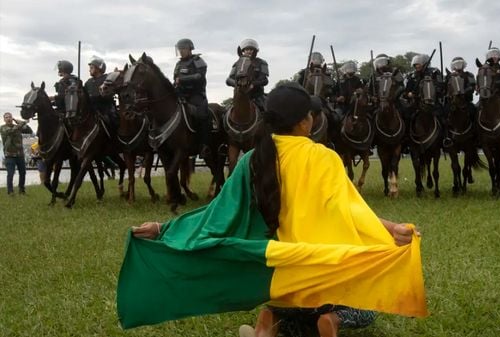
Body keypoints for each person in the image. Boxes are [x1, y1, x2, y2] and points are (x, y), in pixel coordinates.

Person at [122, 83, 426, 337]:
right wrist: (393, 230)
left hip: (278, 273)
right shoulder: (324, 157)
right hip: (324, 271)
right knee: (365, 304)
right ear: (304, 121)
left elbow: (216, 215)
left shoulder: (251, 159)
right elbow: (352, 212)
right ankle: (332, 321)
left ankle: (269, 320)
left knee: (283, 301)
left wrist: (165, 229)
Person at [173, 38, 211, 157]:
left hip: (196, 95)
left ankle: (204, 145)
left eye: (183, 49)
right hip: (181, 94)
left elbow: (199, 76)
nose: (181, 51)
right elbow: (175, 79)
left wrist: (182, 79)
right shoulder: (178, 64)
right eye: (180, 49)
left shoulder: (198, 60)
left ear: (190, 49)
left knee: (202, 115)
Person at [403, 53, 449, 146]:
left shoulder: (435, 72)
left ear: (424, 64)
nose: (417, 66)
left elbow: (441, 86)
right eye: (415, 65)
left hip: (433, 103)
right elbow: (406, 92)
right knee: (406, 116)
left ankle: (446, 138)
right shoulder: (411, 76)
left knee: (443, 117)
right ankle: (406, 139)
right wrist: (409, 94)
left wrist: (435, 91)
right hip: (416, 104)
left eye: (418, 64)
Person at [225, 38, 269, 111]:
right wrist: (237, 84)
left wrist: (253, 84)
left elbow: (264, 80)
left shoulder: (261, 62)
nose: (249, 51)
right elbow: (229, 80)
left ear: (255, 52)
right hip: (240, 95)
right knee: (226, 113)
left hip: (257, 95)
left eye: (251, 50)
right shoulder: (237, 63)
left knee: (267, 112)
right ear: (243, 51)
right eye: (247, 49)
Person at [444, 57, 477, 141]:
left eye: (459, 64)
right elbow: (444, 89)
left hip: (465, 101)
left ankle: (476, 136)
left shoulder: (469, 75)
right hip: (453, 103)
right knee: (443, 114)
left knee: (475, 113)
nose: (458, 66)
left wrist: (463, 92)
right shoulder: (448, 76)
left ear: (463, 65)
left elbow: (472, 87)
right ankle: (446, 137)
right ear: (453, 66)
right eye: (456, 64)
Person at [84, 57, 118, 132]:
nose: (89, 70)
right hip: (91, 109)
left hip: (105, 108)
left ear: (98, 68)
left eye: (91, 68)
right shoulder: (88, 82)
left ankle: (115, 138)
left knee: (113, 121)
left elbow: (109, 93)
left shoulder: (107, 78)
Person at [1, 112, 29, 195]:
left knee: (23, 173)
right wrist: (23, 122)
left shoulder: (17, 127)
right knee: (10, 173)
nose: (8, 119)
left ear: (12, 118)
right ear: (4, 119)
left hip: (20, 154)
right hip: (9, 155)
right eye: (6, 117)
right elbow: (11, 131)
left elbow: (28, 130)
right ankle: (10, 191)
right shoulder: (3, 128)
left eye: (10, 117)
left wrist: (20, 122)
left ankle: (22, 190)